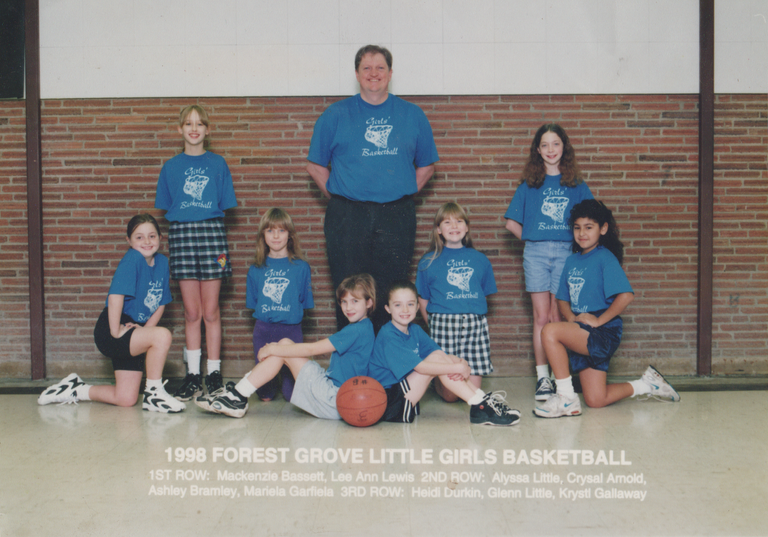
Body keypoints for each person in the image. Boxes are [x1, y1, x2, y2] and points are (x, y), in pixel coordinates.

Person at [306, 44, 439, 333]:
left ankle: (386, 368)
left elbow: (427, 166)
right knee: (349, 289)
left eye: (380, 67)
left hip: (396, 214)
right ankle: (353, 369)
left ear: (390, 73)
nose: (373, 73)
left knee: (391, 288)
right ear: (357, 74)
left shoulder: (412, 114)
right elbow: (315, 165)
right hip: (347, 214)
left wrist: (400, 193)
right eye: (366, 68)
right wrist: (342, 195)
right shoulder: (336, 114)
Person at [533, 200, 680, 418]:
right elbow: (562, 298)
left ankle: (566, 399)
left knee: (550, 330)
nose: (582, 233)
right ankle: (647, 385)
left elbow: (626, 295)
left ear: (603, 229)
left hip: (602, 330)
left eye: (589, 227)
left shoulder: (604, 257)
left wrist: (598, 321)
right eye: (577, 227)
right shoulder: (572, 261)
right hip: (582, 328)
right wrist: (573, 318)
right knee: (596, 399)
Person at [38, 215, 184, 413]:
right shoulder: (132, 258)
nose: (147, 241)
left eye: (152, 236)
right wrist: (116, 331)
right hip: (112, 327)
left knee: (125, 398)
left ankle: (75, 389)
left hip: (134, 329)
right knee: (163, 335)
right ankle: (154, 394)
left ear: (160, 237)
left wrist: (145, 332)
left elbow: (161, 303)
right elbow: (116, 296)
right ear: (129, 241)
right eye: (139, 237)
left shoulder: (162, 263)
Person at [195, 274, 376, 419]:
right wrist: (276, 347)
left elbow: (312, 349)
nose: (348, 307)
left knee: (281, 349)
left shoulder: (356, 331)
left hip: (335, 399)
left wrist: (272, 349)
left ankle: (238, 396)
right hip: (333, 390)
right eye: (344, 301)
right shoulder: (364, 327)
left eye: (355, 301)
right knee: (284, 344)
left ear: (369, 303)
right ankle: (238, 394)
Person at [504, 123, 594, 402]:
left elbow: (591, 219)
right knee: (541, 317)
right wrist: (533, 239)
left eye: (556, 144)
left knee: (558, 317)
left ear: (563, 148)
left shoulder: (576, 185)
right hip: (536, 252)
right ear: (538, 150)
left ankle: (559, 376)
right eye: (545, 145)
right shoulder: (530, 185)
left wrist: (575, 244)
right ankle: (543, 378)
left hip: (567, 252)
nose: (550, 150)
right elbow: (510, 223)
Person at [154, 105, 238, 401]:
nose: (194, 128)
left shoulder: (218, 164)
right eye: (188, 123)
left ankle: (213, 376)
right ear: (180, 130)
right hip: (182, 236)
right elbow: (168, 207)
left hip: (212, 234)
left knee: (211, 311)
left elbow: (224, 205)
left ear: (207, 130)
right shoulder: (171, 167)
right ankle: (193, 377)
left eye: (199, 123)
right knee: (192, 312)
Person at [369, 281, 520, 426]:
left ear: (416, 307)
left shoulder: (414, 330)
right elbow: (421, 368)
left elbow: (440, 354)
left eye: (410, 304)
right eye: (398, 305)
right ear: (388, 308)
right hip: (388, 402)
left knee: (438, 357)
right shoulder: (388, 335)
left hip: (404, 392)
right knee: (438, 363)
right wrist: (456, 369)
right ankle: (479, 406)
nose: (405, 310)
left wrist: (462, 363)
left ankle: (482, 401)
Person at [415, 202, 497, 402]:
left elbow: (483, 294)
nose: (454, 226)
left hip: (474, 324)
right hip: (443, 324)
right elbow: (423, 298)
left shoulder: (480, 259)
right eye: (447, 222)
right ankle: (438, 384)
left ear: (467, 227)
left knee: (474, 391)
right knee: (451, 396)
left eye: (459, 221)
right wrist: (433, 323)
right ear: (438, 230)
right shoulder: (428, 261)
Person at [245, 208, 314, 402]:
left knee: (291, 396)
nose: (276, 236)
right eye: (270, 230)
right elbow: (254, 302)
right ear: (262, 236)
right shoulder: (255, 269)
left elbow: (303, 301)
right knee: (265, 396)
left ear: (290, 235)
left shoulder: (301, 267)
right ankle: (267, 384)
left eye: (281, 230)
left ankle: (286, 381)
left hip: (291, 330)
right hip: (264, 329)